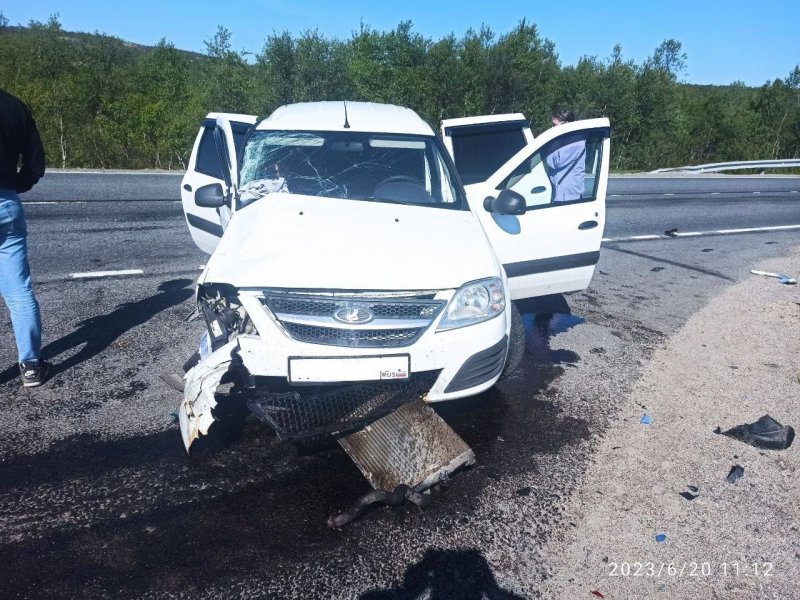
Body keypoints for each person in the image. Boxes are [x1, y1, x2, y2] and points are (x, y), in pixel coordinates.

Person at [0, 89, 48, 387]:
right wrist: (14, 185)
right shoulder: (15, 105)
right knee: (19, 290)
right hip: (6, 203)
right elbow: (34, 163)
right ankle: (30, 365)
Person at [545, 108, 586, 203]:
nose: (552, 128)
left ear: (567, 124)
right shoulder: (564, 140)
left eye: (555, 125)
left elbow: (554, 162)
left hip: (567, 195)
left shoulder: (575, 142)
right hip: (560, 192)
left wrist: (551, 140)